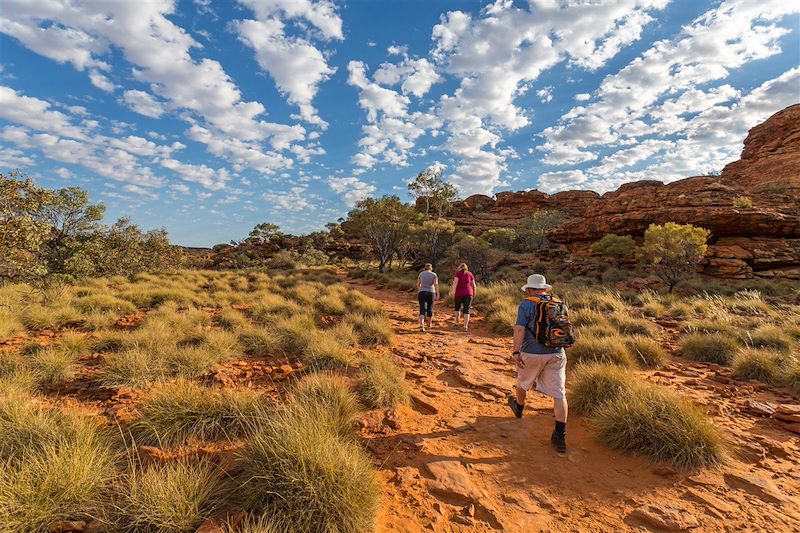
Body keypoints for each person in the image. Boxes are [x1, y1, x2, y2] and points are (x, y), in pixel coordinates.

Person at [507, 274, 568, 453]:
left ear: (530, 289)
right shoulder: (559, 303)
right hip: (557, 353)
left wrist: (516, 351)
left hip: (531, 353)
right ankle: (560, 436)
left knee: (522, 383)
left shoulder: (526, 304)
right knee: (559, 394)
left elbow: (519, 329)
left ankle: (519, 407)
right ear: (545, 289)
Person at [451, 263, 476, 331]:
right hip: (468, 293)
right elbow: (473, 285)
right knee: (467, 310)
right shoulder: (470, 274)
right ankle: (465, 326)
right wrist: (474, 293)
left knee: (457, 308)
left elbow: (455, 283)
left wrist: (453, 292)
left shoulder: (458, 274)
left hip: (459, 293)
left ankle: (457, 323)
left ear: (460, 267)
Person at [416, 263, 439, 331]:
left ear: (425, 268)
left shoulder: (421, 274)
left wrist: (420, 289)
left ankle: (422, 326)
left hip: (422, 292)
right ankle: (429, 325)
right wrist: (438, 293)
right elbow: (436, 284)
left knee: (422, 309)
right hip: (431, 292)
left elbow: (418, 284)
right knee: (430, 308)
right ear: (431, 268)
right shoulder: (434, 274)